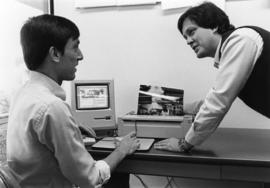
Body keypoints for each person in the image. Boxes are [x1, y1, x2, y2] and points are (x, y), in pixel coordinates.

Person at [6, 14, 140, 188]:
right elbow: (89, 179)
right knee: (119, 175)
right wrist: (121, 151)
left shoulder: (22, 94)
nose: (81, 56)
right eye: (75, 47)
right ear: (55, 53)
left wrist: (71, 129)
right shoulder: (52, 108)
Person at [154, 2, 270, 152]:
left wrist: (184, 143)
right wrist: (178, 107)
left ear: (214, 25)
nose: (188, 41)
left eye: (191, 32)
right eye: (185, 37)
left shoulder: (240, 40)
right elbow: (217, 97)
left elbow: (219, 100)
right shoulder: (235, 47)